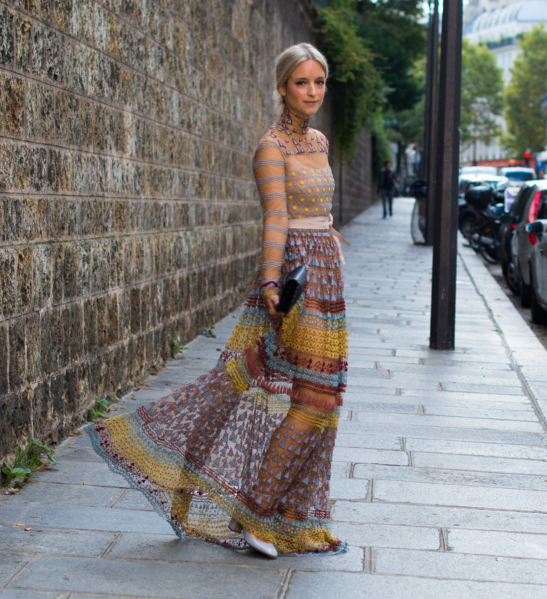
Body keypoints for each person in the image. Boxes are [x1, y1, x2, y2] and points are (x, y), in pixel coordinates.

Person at [88, 43, 348, 559]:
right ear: (281, 87)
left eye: (319, 82)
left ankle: (288, 516)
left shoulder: (317, 140)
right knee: (313, 396)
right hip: (293, 278)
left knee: (324, 397)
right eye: (302, 83)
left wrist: (333, 251)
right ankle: (256, 510)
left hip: (327, 277)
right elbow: (275, 217)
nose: (313, 92)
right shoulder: (270, 147)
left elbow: (322, 210)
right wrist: (272, 282)